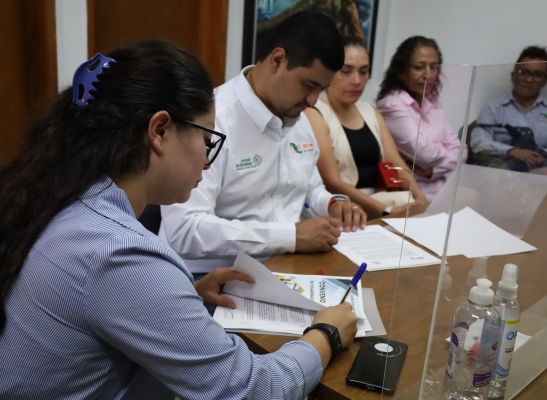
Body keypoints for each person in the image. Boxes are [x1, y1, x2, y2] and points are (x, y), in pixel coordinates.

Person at [0, 41, 358, 400]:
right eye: (207, 139)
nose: (207, 159)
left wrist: (185, 296)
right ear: (159, 131)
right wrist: (326, 333)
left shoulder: (52, 197)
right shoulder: (119, 254)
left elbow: (87, 303)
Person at [160, 12, 367, 275]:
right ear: (278, 60)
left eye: (322, 89)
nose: (313, 100)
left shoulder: (299, 119)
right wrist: (290, 236)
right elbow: (185, 229)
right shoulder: (213, 120)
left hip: (283, 266)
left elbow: (308, 189)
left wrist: (331, 204)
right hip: (207, 276)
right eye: (309, 85)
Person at [304, 36, 428, 219]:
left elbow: (397, 165)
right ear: (328, 72)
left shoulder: (370, 111)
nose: (357, 80)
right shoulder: (313, 112)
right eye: (346, 71)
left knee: (414, 206)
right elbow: (332, 182)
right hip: (342, 206)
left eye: (363, 72)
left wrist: (419, 198)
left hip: (382, 199)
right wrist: (387, 211)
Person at [376, 36, 467, 200]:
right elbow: (425, 154)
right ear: (401, 72)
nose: (428, 75)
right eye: (419, 67)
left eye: (434, 67)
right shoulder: (392, 105)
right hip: (409, 196)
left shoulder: (432, 105)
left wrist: (433, 170)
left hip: (440, 190)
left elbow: (462, 151)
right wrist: (445, 152)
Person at [470, 45, 547, 172]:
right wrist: (512, 151)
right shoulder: (493, 109)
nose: (529, 79)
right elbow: (478, 141)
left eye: (537, 74)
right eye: (523, 73)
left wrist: (544, 155)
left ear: (545, 80)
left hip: (541, 173)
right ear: (513, 75)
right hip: (501, 173)